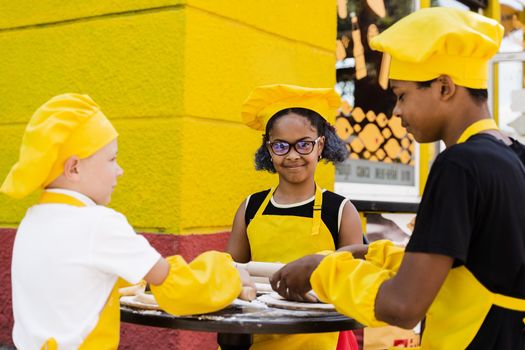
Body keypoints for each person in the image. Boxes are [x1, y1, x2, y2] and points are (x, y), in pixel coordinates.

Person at [270, 8, 525, 349]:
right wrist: (368, 253)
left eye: (402, 95)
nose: (396, 112)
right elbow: (469, 266)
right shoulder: (512, 155)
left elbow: (403, 306)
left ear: (445, 87)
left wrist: (322, 271)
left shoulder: (459, 165)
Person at [1, 93, 253, 350]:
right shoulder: (99, 223)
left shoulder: (32, 220)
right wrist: (228, 273)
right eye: (112, 159)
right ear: (74, 167)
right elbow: (178, 289)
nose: (119, 170)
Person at [226, 84, 364, 350]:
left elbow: (354, 281)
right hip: (258, 339)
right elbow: (232, 274)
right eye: (281, 146)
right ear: (269, 149)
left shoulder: (340, 211)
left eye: (304, 145)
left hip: (321, 340)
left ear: (320, 145)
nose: (292, 155)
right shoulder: (249, 208)